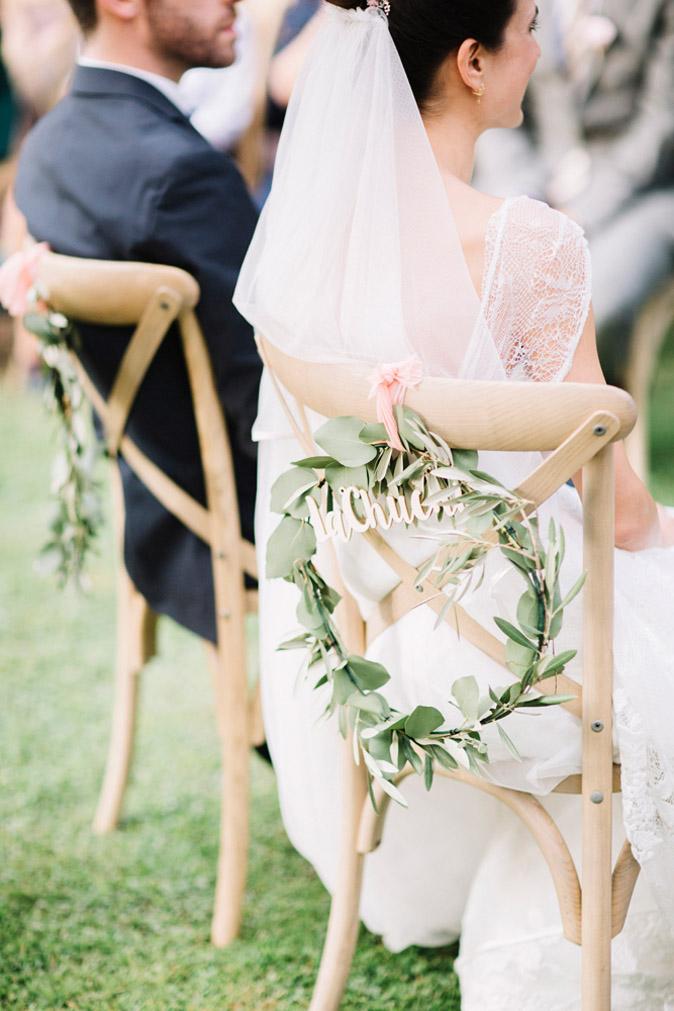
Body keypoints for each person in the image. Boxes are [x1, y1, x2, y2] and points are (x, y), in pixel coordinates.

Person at [234, 0, 674, 1006]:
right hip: (528, 635)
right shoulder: (531, 243)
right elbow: (618, 517)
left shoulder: (311, 243)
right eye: (523, 25)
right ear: (470, 61)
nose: (540, 44)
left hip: (396, 616)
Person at [14, 0, 261, 643]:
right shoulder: (182, 174)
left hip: (157, 507)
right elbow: (266, 398)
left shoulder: (45, 150)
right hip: (235, 521)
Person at [474, 0, 674, 388]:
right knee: (477, 287)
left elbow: (662, 122)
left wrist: (578, 214)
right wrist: (522, 206)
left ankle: (579, 419)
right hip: (532, 181)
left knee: (578, 306)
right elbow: (492, 102)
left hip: (642, 198)